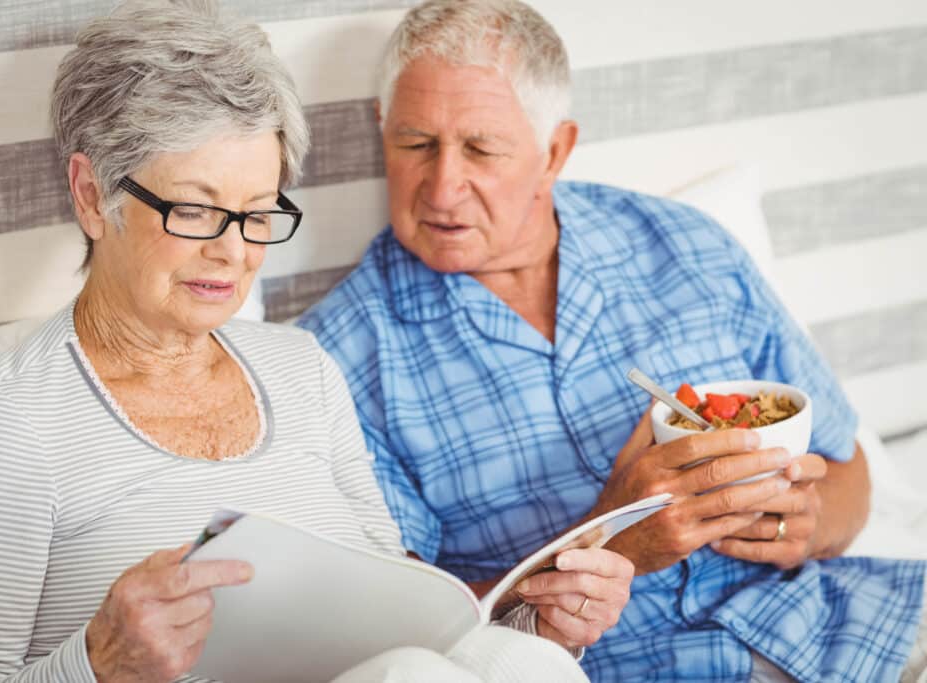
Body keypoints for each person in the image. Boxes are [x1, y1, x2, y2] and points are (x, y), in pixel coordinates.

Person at [0, 1, 616, 681]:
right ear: (94, 196)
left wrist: (538, 623)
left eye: (255, 214)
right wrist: (101, 666)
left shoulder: (303, 368)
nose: (232, 251)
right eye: (194, 209)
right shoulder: (9, 420)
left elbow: (412, 619)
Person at [297, 1, 927, 681]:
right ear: (382, 129)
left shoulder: (688, 245)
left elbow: (850, 468)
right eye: (417, 143)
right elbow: (412, 636)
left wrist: (806, 523)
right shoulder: (336, 359)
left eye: (481, 148)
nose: (444, 186)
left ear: (555, 151)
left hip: (845, 626)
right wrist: (609, 539)